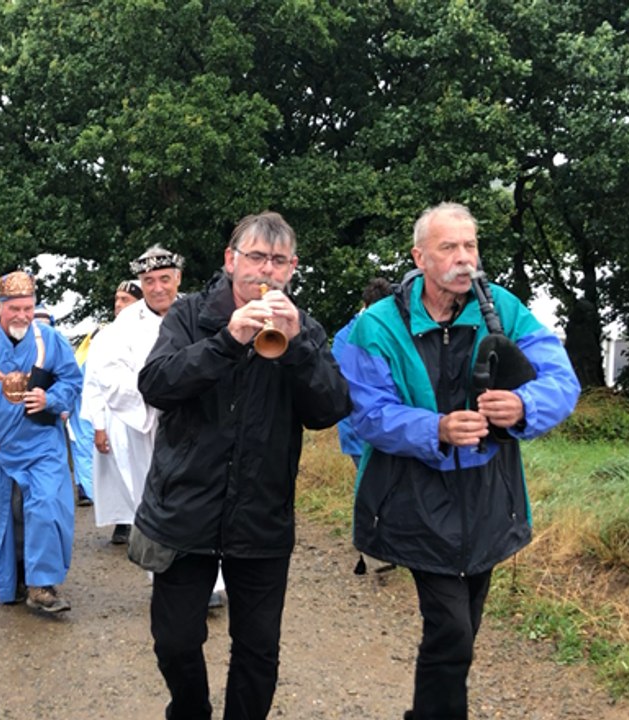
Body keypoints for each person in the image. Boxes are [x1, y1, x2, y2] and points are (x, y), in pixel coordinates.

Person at [339, 203, 579, 720]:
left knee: (463, 628)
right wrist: (437, 429)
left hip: (490, 495)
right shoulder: (377, 325)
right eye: (449, 247)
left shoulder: (504, 309)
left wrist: (524, 405)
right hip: (411, 497)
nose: (464, 258)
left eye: (470, 245)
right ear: (419, 257)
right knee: (451, 631)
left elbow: (562, 379)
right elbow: (366, 412)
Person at [133, 212, 352, 719]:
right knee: (175, 641)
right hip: (184, 508)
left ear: (292, 268)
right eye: (255, 257)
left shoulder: (305, 327)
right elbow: (156, 385)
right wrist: (226, 342)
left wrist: (298, 348)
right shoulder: (189, 315)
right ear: (231, 261)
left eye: (278, 261)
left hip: (261, 514)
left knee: (258, 648)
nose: (266, 270)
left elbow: (330, 409)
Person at [0, 271, 83, 613]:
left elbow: (72, 382)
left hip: (42, 444)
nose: (23, 315)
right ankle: (16, 578)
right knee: (9, 516)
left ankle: (42, 586)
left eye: (28, 308)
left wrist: (51, 399)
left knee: (47, 506)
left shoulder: (51, 340)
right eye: (15, 309)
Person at [85, 251, 181, 548]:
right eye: (149, 281)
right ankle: (160, 567)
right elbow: (108, 376)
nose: (158, 288)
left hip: (196, 424)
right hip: (144, 425)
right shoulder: (124, 324)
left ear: (178, 279)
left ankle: (209, 572)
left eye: (165, 279)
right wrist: (157, 396)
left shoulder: (197, 312)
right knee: (150, 500)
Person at [71, 281, 144, 511]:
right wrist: (98, 426)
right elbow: (93, 383)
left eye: (126, 300)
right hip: (114, 417)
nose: (119, 304)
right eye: (117, 299)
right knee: (118, 471)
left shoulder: (156, 330)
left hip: (147, 415)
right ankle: (124, 520)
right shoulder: (104, 337)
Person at [332, 277, 392, 469]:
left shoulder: (390, 330)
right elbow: (342, 385)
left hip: (390, 429)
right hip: (358, 433)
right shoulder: (345, 338)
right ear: (365, 306)